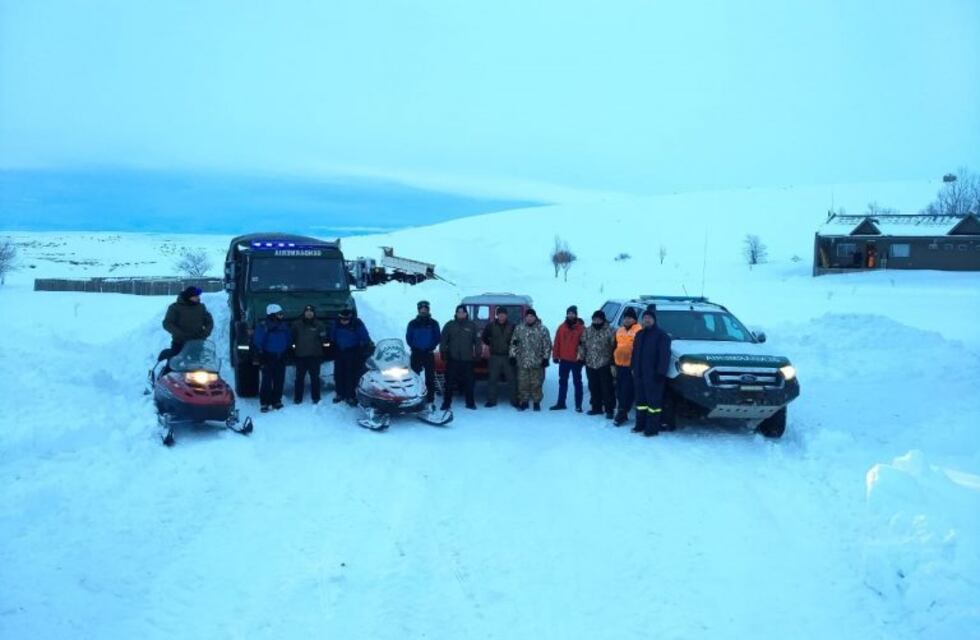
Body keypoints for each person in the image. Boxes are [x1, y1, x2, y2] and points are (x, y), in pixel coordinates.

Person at [631, 305, 672, 436]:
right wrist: (633, 367)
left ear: (654, 320)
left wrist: (661, 373)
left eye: (649, 318)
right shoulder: (639, 334)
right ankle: (640, 425)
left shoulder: (662, 336)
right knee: (641, 403)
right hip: (640, 374)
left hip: (654, 376)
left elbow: (664, 356)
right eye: (645, 318)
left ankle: (652, 429)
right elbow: (635, 353)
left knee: (653, 405)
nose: (647, 320)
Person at [160, 286, 214, 372]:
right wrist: (181, 334)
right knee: (173, 365)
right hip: (179, 343)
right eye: (196, 296)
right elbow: (167, 323)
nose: (198, 298)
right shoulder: (175, 308)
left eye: (198, 296)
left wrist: (204, 334)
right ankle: (163, 379)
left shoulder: (201, 307)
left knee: (196, 367)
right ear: (189, 297)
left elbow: (209, 322)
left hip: (197, 343)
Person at [439, 305, 481, 411]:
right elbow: (443, 339)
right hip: (453, 359)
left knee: (469, 382)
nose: (461, 314)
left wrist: (478, 354)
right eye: (459, 312)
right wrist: (443, 352)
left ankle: (470, 403)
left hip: (467, 360)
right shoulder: (450, 325)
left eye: (463, 312)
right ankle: (446, 403)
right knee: (449, 383)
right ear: (456, 313)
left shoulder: (472, 326)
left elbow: (477, 341)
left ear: (466, 314)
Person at [509, 308, 552, 411]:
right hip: (522, 361)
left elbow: (547, 345)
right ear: (525, 317)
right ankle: (524, 401)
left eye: (531, 316)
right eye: (527, 316)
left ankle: (536, 402)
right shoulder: (519, 329)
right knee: (523, 383)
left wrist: (546, 358)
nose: (529, 318)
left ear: (535, 317)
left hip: (537, 362)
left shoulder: (542, 329)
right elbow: (514, 343)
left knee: (536, 383)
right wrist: (512, 356)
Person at [331, 308, 372, 406]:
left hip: (353, 352)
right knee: (338, 373)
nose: (344, 321)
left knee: (351, 374)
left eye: (346, 319)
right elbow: (332, 335)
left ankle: (350, 395)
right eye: (342, 319)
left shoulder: (357, 324)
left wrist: (365, 348)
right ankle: (340, 393)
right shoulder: (336, 324)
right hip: (339, 352)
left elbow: (365, 337)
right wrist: (333, 346)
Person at [253, 303, 291, 412]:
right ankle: (264, 402)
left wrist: (287, 351)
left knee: (279, 380)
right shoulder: (264, 326)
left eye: (281, 314)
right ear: (272, 314)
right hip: (268, 356)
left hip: (281, 356)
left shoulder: (284, 326)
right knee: (266, 381)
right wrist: (260, 355)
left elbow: (288, 339)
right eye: (279, 314)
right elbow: (258, 341)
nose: (281, 316)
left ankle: (276, 401)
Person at [406, 300, 441, 405]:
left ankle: (430, 399)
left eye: (425, 309)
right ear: (418, 310)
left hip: (428, 353)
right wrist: (413, 346)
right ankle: (415, 396)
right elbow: (408, 337)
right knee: (414, 377)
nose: (423, 311)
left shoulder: (433, 323)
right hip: (416, 353)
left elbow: (437, 337)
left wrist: (431, 346)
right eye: (421, 309)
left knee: (430, 377)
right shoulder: (413, 323)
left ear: (428, 310)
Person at [550, 305, 586, 411]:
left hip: (576, 361)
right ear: (567, 314)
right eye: (569, 313)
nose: (571, 315)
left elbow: (585, 345)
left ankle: (578, 405)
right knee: (562, 382)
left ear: (576, 314)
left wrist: (583, 358)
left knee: (577, 382)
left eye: (573, 313)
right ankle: (561, 403)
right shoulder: (561, 327)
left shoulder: (582, 329)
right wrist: (555, 356)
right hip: (564, 360)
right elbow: (557, 342)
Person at [583, 309, 617, 418]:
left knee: (607, 388)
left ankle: (609, 409)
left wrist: (612, 362)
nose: (597, 321)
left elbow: (615, 347)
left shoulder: (611, 331)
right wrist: (581, 356)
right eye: (595, 319)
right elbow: (582, 344)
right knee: (593, 387)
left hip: (605, 364)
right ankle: (596, 408)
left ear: (603, 319)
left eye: (599, 319)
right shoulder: (587, 331)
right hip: (590, 363)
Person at [481, 307, 516, 407]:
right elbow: (484, 337)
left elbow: (517, 340)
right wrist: (491, 344)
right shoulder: (491, 326)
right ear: (497, 315)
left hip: (508, 356)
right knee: (492, 379)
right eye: (499, 314)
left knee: (512, 379)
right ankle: (491, 401)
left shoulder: (512, 326)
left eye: (503, 314)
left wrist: (513, 350)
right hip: (494, 356)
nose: (501, 316)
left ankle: (515, 401)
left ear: (506, 315)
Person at [292, 304, 326, 404]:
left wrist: (323, 337)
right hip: (300, 356)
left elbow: (324, 339)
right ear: (304, 313)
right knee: (299, 379)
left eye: (311, 312)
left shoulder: (319, 325)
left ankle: (316, 397)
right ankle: (298, 398)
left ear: (314, 313)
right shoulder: (296, 324)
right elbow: (292, 338)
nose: (309, 313)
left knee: (315, 378)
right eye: (307, 312)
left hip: (315, 356)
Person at [613, 307, 641, 426]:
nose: (627, 320)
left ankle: (622, 413)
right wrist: (612, 364)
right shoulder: (620, 330)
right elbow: (614, 347)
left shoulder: (639, 330)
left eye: (630, 318)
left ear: (634, 319)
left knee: (627, 391)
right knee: (619, 390)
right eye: (626, 318)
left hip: (631, 366)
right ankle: (621, 410)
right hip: (619, 365)